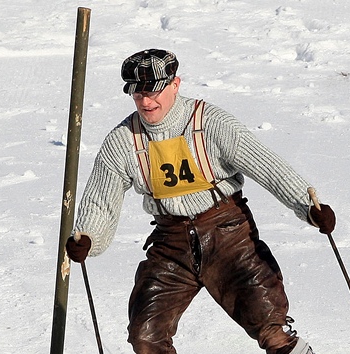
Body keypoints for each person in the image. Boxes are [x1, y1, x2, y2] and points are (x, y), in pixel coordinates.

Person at [65, 49, 336, 354]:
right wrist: (87, 236)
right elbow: (102, 198)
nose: (145, 101)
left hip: (230, 237)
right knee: (146, 335)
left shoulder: (209, 123)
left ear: (175, 84)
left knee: (270, 327)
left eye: (153, 90)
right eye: (137, 93)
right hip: (171, 246)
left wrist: (308, 206)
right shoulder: (123, 140)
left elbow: (267, 166)